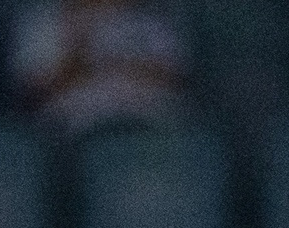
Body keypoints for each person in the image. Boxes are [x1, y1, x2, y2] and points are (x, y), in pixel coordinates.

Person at [11, 0, 190, 135]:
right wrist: (79, 52)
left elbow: (172, 79)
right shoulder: (45, 23)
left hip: (145, 121)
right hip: (73, 124)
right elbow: (36, 92)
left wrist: (119, 65)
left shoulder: (146, 21)